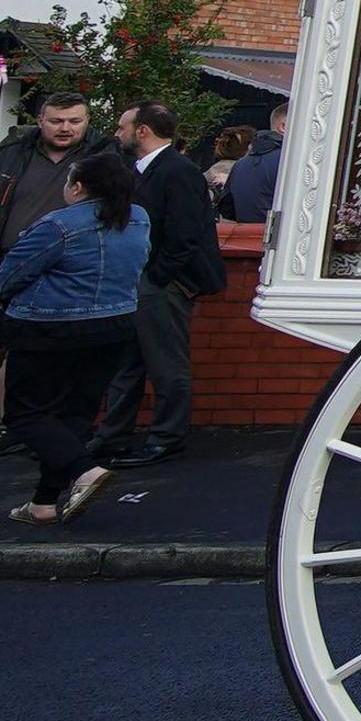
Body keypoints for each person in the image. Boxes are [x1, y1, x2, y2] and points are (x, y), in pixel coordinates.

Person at [0, 147, 148, 526]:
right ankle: (44, 501)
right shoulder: (138, 219)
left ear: (77, 188)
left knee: (25, 414)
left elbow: (12, 274)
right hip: (114, 323)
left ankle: (84, 470)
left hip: (50, 327)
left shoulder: (59, 224)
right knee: (75, 414)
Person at [0, 93, 110, 463]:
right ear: (41, 120)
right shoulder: (13, 155)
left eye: (75, 120)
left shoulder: (102, 158)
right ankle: (12, 426)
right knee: (11, 347)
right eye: (57, 120)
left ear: (87, 120)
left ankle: (60, 430)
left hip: (73, 267)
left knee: (68, 348)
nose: (65, 128)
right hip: (10, 262)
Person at [94, 101, 224, 466]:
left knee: (165, 362)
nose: (117, 134)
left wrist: (158, 276)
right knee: (128, 362)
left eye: (122, 127)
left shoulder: (177, 171)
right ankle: (112, 434)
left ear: (142, 130)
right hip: (145, 280)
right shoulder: (143, 170)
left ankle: (167, 437)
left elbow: (184, 232)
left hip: (161, 283)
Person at [219, 105, 286, 224]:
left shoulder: (240, 165)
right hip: (283, 237)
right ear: (283, 126)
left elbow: (228, 210)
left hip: (246, 237)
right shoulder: (289, 162)